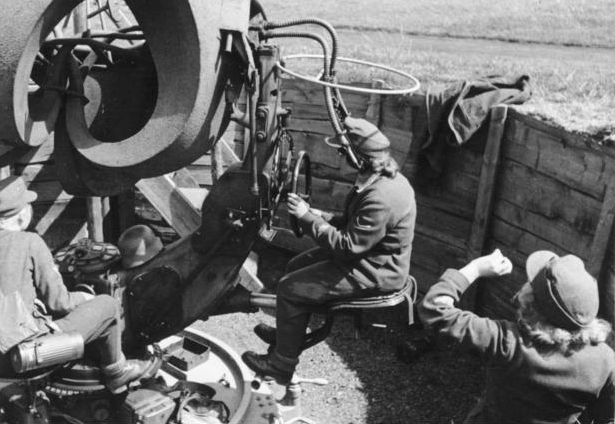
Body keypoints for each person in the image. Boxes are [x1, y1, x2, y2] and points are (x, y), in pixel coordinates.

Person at [242, 117, 416, 383]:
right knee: (295, 267)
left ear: (359, 158)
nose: (339, 156)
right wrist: (316, 213)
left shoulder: (381, 197)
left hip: (374, 272)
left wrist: (307, 218)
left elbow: (347, 246)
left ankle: (281, 364)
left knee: (290, 287)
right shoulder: (375, 180)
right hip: (366, 258)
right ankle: (288, 337)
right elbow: (352, 225)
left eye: (343, 152)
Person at [0, 175, 157, 392]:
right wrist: (86, 296)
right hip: (20, 358)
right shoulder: (30, 241)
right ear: (23, 215)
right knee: (108, 306)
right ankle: (117, 371)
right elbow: (60, 303)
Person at [418, 249, 614, 424]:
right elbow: (606, 418)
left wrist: (475, 268)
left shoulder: (506, 341)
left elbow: (434, 308)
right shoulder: (606, 363)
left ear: (530, 301)